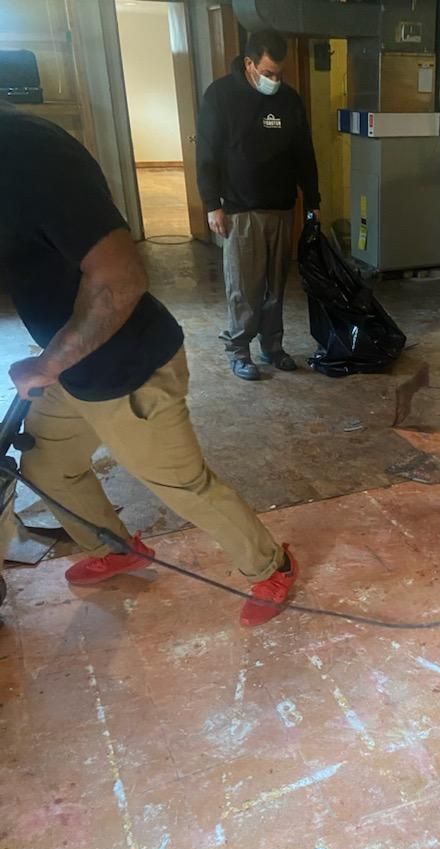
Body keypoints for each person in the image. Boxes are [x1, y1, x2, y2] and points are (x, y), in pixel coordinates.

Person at [0, 105, 299, 627]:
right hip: (73, 368)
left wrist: (49, 361)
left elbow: (120, 280)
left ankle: (272, 565)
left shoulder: (26, 154)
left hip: (127, 367)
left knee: (182, 486)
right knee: (47, 466)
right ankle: (117, 548)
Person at [197, 29, 321, 381]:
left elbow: (304, 155)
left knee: (275, 285)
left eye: (279, 74)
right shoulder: (220, 96)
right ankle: (239, 351)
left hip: (282, 208)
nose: (275, 80)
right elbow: (206, 155)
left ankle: (273, 346)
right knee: (244, 288)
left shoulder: (290, 100)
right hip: (240, 210)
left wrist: (312, 201)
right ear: (249, 64)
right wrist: (211, 204)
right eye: (268, 73)